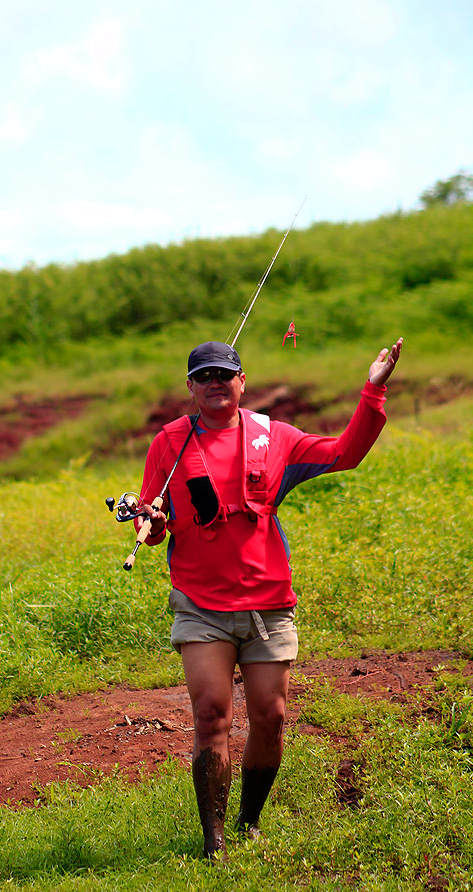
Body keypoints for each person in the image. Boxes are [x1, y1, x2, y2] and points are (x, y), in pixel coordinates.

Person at [136, 337, 403, 860]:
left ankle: (248, 820)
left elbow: (345, 453)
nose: (215, 383)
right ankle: (213, 842)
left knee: (270, 716)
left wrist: (373, 390)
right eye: (204, 376)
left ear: (242, 381)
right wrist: (152, 523)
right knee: (211, 713)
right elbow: (151, 520)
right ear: (190, 387)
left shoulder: (274, 437)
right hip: (201, 603)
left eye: (224, 374)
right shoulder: (169, 442)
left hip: (268, 603)